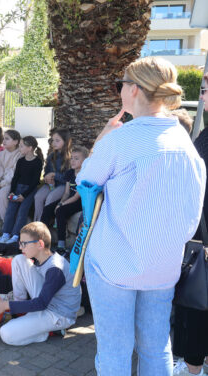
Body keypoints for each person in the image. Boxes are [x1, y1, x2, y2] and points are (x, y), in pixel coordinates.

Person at [78, 57, 205, 375]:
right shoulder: (185, 143)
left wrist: (102, 139)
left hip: (115, 264)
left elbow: (86, 182)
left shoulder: (122, 140)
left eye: (121, 85)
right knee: (156, 347)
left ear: (133, 89)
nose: (120, 91)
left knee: (115, 353)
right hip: (162, 266)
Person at [0, 221, 81, 346]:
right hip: (47, 302)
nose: (20, 247)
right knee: (18, 260)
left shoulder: (55, 269)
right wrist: (11, 305)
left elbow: (41, 304)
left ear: (40, 244)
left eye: (24, 244)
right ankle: (19, 304)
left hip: (59, 314)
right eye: (20, 243)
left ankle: (50, 332)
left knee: (6, 333)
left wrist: (5, 305)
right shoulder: (44, 257)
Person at [172, 73, 208, 376]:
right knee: (196, 308)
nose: (204, 91)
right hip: (198, 241)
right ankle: (194, 365)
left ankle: (194, 367)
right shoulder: (204, 136)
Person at [40, 145, 88, 254]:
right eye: (72, 158)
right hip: (70, 198)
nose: (73, 161)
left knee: (60, 211)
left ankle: (61, 246)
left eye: (77, 158)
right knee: (48, 209)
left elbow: (76, 196)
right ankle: (41, 239)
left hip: (79, 202)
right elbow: (67, 192)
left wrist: (61, 205)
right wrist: (61, 202)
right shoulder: (70, 173)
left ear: (85, 161)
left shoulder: (85, 174)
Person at [0, 136, 44, 244]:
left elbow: (35, 181)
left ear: (30, 148)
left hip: (29, 191)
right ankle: (6, 233)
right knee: (10, 210)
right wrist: (12, 191)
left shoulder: (37, 162)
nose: (19, 148)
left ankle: (16, 235)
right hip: (18, 188)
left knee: (22, 212)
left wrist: (24, 195)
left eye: (22, 146)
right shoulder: (20, 161)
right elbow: (15, 178)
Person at [33, 129, 72, 222]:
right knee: (38, 197)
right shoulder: (51, 156)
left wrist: (54, 175)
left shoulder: (70, 158)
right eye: (53, 140)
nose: (54, 143)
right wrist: (47, 178)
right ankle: (37, 222)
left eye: (57, 140)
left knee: (50, 198)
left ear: (65, 141)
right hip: (51, 184)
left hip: (63, 185)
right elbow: (46, 171)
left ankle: (45, 222)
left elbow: (68, 178)